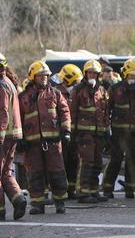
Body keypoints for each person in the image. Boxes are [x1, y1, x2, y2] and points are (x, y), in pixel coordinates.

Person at [18, 61, 71, 215]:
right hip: (32, 144)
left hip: (53, 142)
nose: (44, 78)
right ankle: (37, 204)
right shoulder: (23, 97)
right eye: (41, 76)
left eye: (46, 76)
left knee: (57, 172)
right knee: (35, 174)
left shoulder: (55, 93)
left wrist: (66, 131)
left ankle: (60, 203)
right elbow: (18, 117)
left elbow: (65, 112)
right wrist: (20, 138)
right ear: (33, 77)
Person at [102, 59, 135, 199]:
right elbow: (107, 108)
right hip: (118, 131)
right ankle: (107, 188)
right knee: (115, 160)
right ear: (125, 74)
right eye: (131, 75)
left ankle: (130, 190)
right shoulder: (115, 88)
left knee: (133, 161)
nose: (133, 78)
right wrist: (107, 129)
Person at [70, 59, 109, 203]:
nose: (92, 75)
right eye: (90, 72)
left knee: (97, 162)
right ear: (85, 73)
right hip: (84, 133)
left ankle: (93, 190)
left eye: (95, 73)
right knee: (87, 162)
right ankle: (83, 192)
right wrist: (72, 132)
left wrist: (106, 129)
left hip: (99, 133)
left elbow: (104, 111)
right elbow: (72, 112)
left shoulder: (102, 90)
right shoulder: (78, 90)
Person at [0, 53, 27, 220]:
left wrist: (0, 135)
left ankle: (0, 210)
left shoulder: (1, 85)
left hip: (4, 136)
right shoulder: (9, 82)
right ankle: (18, 199)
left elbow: (2, 113)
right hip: (13, 135)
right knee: (6, 173)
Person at [51, 64, 83, 199]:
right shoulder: (57, 92)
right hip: (61, 133)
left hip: (74, 133)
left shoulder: (76, 92)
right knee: (60, 162)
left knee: (73, 162)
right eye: (77, 80)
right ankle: (60, 191)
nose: (79, 83)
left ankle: (71, 189)